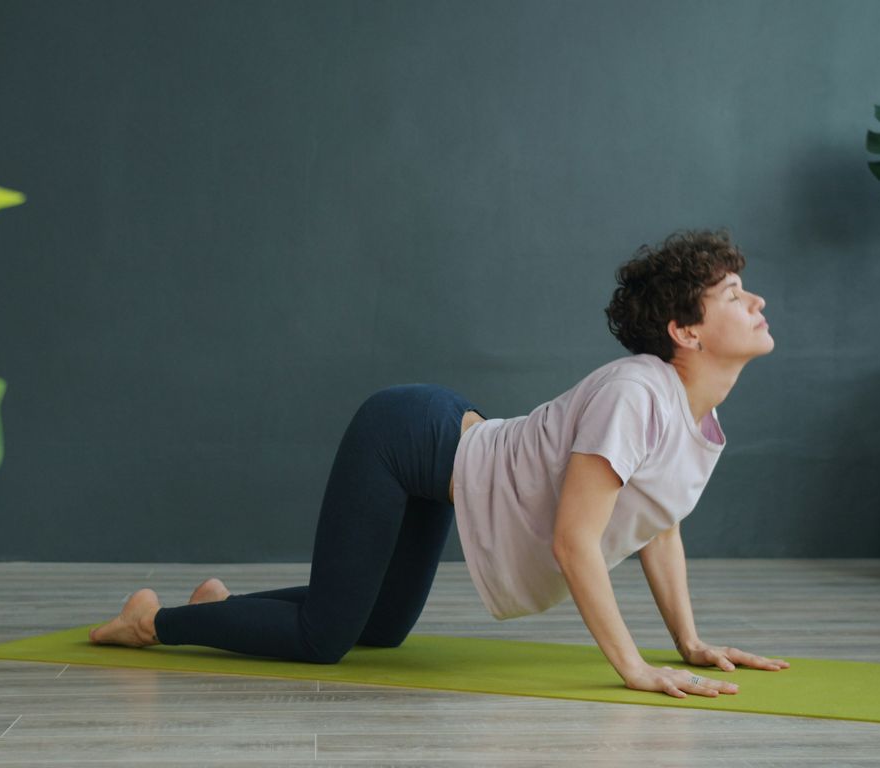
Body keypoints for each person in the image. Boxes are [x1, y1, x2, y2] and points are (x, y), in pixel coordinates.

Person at [91, 229, 790, 700]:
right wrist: (632, 667)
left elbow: (656, 526)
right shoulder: (637, 393)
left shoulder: (690, 415)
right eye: (733, 294)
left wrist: (689, 642)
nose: (755, 300)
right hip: (403, 439)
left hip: (449, 459)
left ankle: (224, 612)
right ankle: (152, 621)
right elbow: (574, 542)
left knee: (381, 630)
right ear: (685, 331)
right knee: (323, 640)